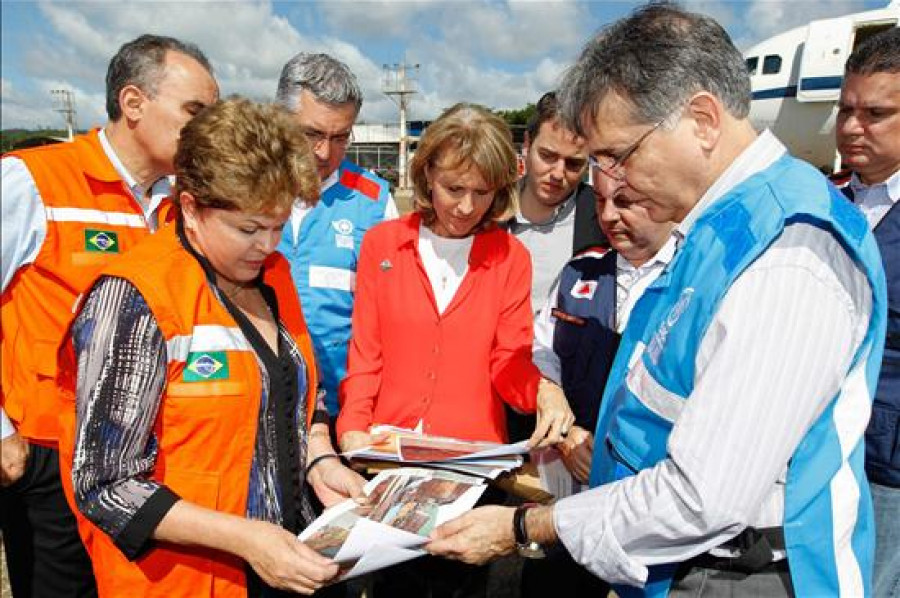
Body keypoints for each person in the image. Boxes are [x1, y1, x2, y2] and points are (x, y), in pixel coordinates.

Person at [428, 5, 888, 598]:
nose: (612, 179)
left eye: (618, 154)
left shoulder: (789, 255)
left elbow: (702, 498)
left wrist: (525, 525)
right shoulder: (719, 229)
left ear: (701, 119)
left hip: (745, 575)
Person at [60, 97, 366, 597]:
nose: (268, 245)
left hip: (285, 560)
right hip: (191, 580)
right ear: (191, 207)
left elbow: (292, 396)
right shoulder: (136, 297)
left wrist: (319, 459)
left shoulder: (274, 277)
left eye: (277, 225)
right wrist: (247, 539)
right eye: (248, 229)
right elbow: (104, 484)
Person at [0, 34, 218, 597]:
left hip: (148, 467)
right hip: (49, 459)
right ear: (133, 103)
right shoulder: (33, 182)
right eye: (195, 110)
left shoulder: (186, 206)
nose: (207, 128)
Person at [336, 102, 573, 451]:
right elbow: (365, 354)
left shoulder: (511, 257)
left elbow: (509, 361)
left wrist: (543, 390)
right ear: (428, 173)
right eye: (454, 189)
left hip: (472, 458)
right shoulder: (382, 245)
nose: (466, 208)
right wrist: (352, 425)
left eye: (482, 192)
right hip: (387, 448)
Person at [274, 53, 397, 422]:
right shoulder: (240, 186)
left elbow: (390, 322)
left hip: (343, 414)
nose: (324, 153)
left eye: (341, 137)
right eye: (311, 134)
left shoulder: (376, 202)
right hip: (254, 409)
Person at [534, 170, 675, 486]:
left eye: (624, 201)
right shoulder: (578, 272)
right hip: (569, 484)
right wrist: (564, 430)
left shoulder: (691, 281)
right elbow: (542, 355)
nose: (608, 216)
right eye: (600, 200)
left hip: (651, 488)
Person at [836, 27, 900, 598]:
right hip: (812, 453)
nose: (853, 126)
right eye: (846, 109)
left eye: (875, 113)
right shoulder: (819, 201)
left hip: (887, 471)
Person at [505, 91, 605, 314]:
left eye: (573, 163)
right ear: (527, 146)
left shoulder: (604, 219)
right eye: (548, 156)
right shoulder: (486, 210)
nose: (558, 173)